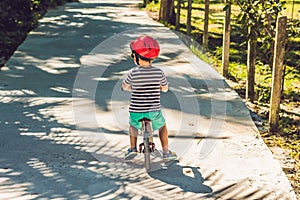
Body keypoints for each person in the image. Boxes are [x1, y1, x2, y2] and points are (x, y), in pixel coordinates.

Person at [122, 35, 177, 160]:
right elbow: (165, 88)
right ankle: (166, 152)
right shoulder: (158, 72)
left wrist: (132, 87)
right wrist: (160, 88)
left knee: (133, 125)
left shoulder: (133, 73)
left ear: (137, 57)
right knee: (162, 126)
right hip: (153, 112)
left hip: (136, 111)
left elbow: (125, 86)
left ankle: (132, 148)